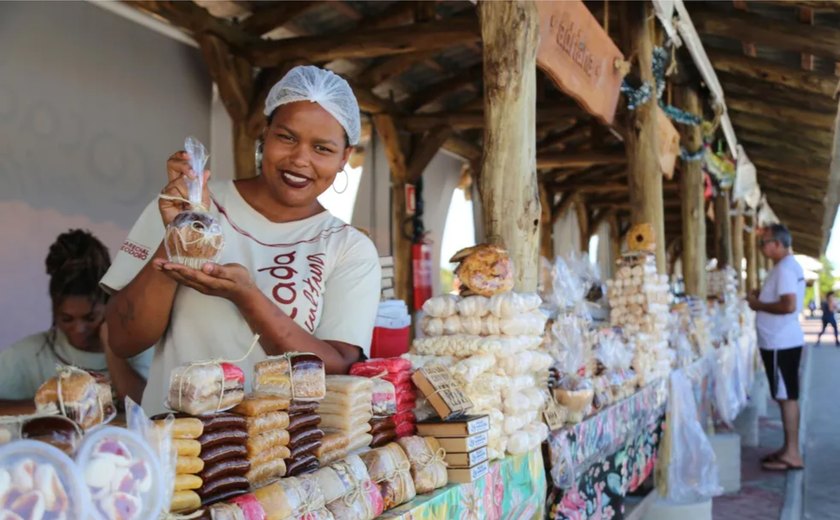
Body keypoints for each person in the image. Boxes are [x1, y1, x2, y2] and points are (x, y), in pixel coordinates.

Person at [102, 66, 381, 415]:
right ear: (265, 133)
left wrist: (247, 297)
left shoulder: (348, 247)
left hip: (280, 454)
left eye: (322, 148)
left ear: (344, 157)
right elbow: (123, 340)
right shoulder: (189, 204)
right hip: (175, 447)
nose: (300, 159)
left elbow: (337, 369)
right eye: (287, 137)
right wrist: (179, 238)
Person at [0, 230, 153, 415]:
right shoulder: (28, 354)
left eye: (90, 318)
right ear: (54, 311)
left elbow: (143, 406)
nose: (79, 329)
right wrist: (52, 407)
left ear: (108, 307)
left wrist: (113, 348)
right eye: (66, 319)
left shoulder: (135, 349)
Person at [747, 223, 806, 471]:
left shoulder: (784, 269)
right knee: (785, 395)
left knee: (786, 396)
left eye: (765, 242)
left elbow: (788, 305)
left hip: (780, 343)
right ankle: (788, 448)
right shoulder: (787, 268)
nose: (761, 247)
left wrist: (758, 305)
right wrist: (762, 297)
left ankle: (792, 453)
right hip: (782, 342)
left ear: (778, 244)